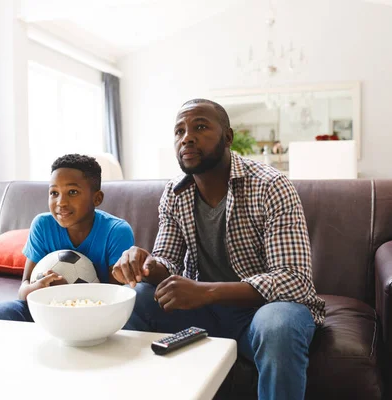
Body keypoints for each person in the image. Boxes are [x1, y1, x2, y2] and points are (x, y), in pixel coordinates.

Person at [113, 99, 325, 400]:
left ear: (228, 137)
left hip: (261, 313)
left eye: (200, 127)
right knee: (137, 298)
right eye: (179, 131)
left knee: (278, 324)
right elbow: (167, 263)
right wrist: (145, 262)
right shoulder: (175, 193)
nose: (186, 137)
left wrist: (206, 290)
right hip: (202, 316)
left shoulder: (270, 185)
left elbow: (294, 279)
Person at [0, 154, 134, 321]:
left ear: (97, 198)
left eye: (72, 192)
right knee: (3, 311)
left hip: (93, 315)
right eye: (54, 193)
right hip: (46, 310)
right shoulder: (42, 225)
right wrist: (38, 287)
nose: (61, 202)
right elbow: (23, 290)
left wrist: (68, 293)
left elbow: (113, 299)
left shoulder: (116, 231)